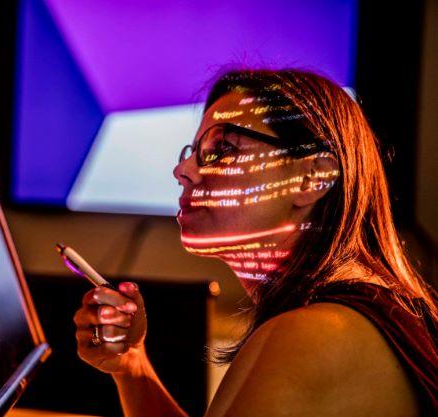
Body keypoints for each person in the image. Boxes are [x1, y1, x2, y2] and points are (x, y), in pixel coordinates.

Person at [72, 69, 437, 417]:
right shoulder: (354, 308)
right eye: (194, 150)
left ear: (312, 178)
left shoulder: (313, 333)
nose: (182, 171)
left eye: (222, 149)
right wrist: (132, 367)